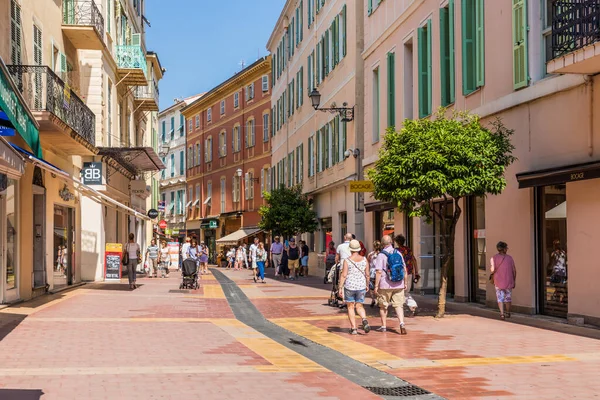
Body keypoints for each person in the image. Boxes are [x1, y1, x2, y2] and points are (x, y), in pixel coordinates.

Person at [374, 235, 407, 334]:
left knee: (383, 306)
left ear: (382, 244)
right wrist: (405, 282)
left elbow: (379, 271)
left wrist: (376, 286)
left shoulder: (381, 255)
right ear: (391, 242)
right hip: (398, 283)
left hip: (385, 284)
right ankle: (401, 323)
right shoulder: (398, 253)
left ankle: (383, 326)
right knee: (399, 305)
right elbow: (404, 269)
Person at [338, 240, 371, 335]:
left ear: (350, 249)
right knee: (359, 306)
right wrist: (367, 284)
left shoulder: (347, 260)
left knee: (350, 307)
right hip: (361, 286)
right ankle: (364, 319)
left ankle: (354, 328)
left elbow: (344, 275)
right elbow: (367, 274)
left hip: (349, 286)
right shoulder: (365, 259)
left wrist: (340, 287)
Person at [394, 234, 419, 316]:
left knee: (402, 291)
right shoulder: (409, 250)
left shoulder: (396, 251)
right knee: (405, 290)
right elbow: (414, 260)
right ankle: (411, 306)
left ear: (397, 242)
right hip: (409, 272)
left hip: (401, 273)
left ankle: (412, 305)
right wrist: (416, 272)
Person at [490, 241, 517, 320]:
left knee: (500, 298)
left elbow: (492, 270)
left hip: (498, 281)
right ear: (504, 249)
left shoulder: (494, 258)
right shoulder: (510, 258)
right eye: (506, 248)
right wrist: (514, 280)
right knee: (508, 297)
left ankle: (502, 314)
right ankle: (508, 312)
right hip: (509, 281)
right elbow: (514, 270)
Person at [367, 240, 382, 308]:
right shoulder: (382, 254)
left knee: (371, 287)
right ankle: (379, 300)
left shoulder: (370, 254)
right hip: (380, 271)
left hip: (372, 271)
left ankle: (373, 299)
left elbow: (368, 263)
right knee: (379, 287)